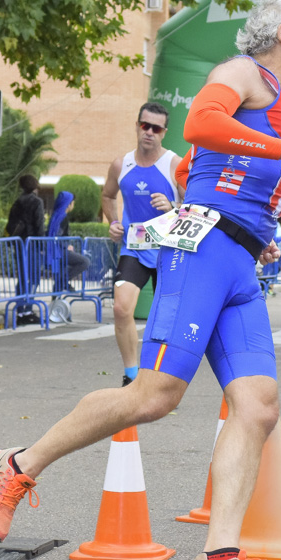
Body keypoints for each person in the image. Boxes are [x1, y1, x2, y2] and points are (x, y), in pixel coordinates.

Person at [0, 0, 281, 560]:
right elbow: (199, 124)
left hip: (238, 258)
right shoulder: (243, 74)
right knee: (154, 395)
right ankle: (16, 465)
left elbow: (205, 169)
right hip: (206, 252)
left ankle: (219, 559)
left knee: (258, 407)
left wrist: (256, 231)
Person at [101, 102, 182, 385]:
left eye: (156, 128)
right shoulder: (121, 164)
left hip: (168, 249)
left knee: (167, 318)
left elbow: (195, 207)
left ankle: (164, 377)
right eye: (145, 125)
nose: (149, 132)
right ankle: (131, 375)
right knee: (121, 308)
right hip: (134, 247)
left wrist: (172, 205)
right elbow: (108, 196)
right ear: (137, 126)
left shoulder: (174, 164)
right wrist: (113, 222)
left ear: (164, 133)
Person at [6, 174, 46, 324]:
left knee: (22, 278)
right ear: (35, 185)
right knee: (34, 277)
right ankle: (28, 309)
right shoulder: (37, 202)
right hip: (32, 244)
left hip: (19, 243)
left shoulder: (17, 202)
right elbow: (39, 225)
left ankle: (20, 311)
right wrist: (41, 245)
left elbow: (10, 223)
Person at [46, 190, 89, 292]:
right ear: (68, 204)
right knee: (84, 262)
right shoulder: (62, 217)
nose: (73, 205)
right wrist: (66, 246)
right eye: (73, 202)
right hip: (59, 252)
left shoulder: (55, 215)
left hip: (55, 251)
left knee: (61, 273)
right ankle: (63, 281)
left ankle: (56, 300)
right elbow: (58, 236)